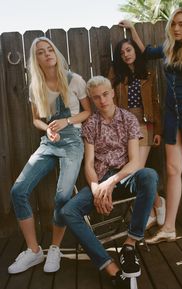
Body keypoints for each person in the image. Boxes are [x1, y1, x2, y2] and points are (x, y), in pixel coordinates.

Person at [119, 7, 182, 244]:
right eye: (173, 24)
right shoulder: (168, 48)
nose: (176, 28)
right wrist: (132, 29)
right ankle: (169, 227)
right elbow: (146, 51)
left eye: (181, 24)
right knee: (173, 170)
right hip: (172, 115)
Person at [61, 76, 159, 289]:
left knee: (150, 175)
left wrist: (112, 182)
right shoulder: (91, 124)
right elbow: (88, 164)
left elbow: (134, 162)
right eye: (96, 97)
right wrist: (97, 188)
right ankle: (111, 268)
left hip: (125, 177)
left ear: (112, 92)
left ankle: (130, 244)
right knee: (68, 211)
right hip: (101, 180)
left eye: (105, 94)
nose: (102, 100)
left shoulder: (129, 119)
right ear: (93, 100)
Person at [8, 37, 91, 274]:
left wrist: (67, 121)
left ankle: (54, 248)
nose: (47, 54)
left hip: (73, 142)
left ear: (55, 52)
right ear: (37, 60)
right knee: (18, 191)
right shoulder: (36, 86)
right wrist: (48, 130)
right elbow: (36, 118)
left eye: (50, 50)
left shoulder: (74, 80)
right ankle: (34, 251)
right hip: (49, 142)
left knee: (63, 197)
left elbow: (87, 111)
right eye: (41, 52)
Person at [108, 38, 165, 229]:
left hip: (145, 124)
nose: (126, 54)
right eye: (122, 52)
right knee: (136, 170)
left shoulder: (147, 73)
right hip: (125, 127)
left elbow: (155, 102)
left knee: (137, 168)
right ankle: (157, 202)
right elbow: (109, 100)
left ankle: (149, 211)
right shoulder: (117, 75)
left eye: (129, 50)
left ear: (135, 51)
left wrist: (157, 130)